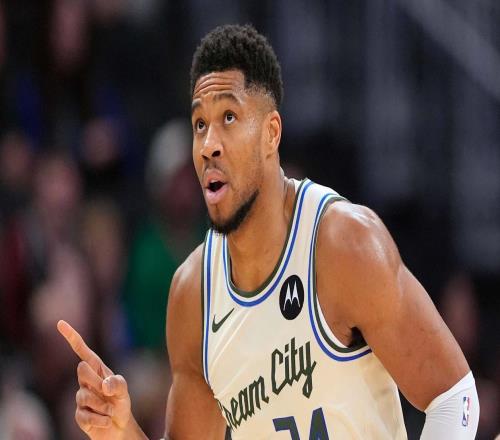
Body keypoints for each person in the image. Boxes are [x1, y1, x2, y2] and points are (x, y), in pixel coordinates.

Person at [57, 24, 479, 439]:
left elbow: (454, 398)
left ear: (270, 134)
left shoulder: (343, 243)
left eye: (228, 117)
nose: (209, 145)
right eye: (200, 124)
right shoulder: (193, 294)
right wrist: (121, 430)